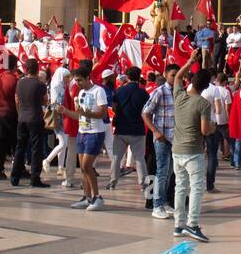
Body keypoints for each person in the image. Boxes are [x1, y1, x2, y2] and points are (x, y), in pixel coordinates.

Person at [169, 47, 212, 242]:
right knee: (196, 188)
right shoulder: (203, 104)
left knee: (180, 187)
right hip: (193, 151)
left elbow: (177, 78)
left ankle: (179, 225)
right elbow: (204, 130)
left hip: (177, 150)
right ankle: (193, 225)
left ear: (192, 81)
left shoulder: (179, 96)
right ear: (206, 86)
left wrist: (189, 61)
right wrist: (213, 127)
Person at [59, 64, 108, 211]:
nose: (78, 83)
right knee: (82, 167)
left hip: (95, 132)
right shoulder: (80, 94)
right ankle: (87, 197)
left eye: (80, 80)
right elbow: (79, 114)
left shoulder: (99, 91)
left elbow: (102, 114)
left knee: (87, 165)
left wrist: (86, 114)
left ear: (88, 78)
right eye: (76, 81)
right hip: (82, 131)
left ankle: (97, 197)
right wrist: (65, 111)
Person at [142, 62, 178, 219]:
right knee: (162, 172)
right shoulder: (160, 92)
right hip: (162, 138)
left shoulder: (180, 92)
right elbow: (145, 112)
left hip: (175, 138)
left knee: (170, 172)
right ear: (166, 75)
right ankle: (156, 205)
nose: (176, 78)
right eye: (173, 75)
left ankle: (163, 202)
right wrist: (155, 131)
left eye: (178, 75)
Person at [107, 65, 148, 193]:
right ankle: (144, 184)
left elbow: (113, 107)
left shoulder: (119, 91)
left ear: (128, 77)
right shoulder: (143, 93)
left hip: (121, 129)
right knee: (139, 158)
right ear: (139, 76)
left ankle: (112, 182)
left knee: (116, 157)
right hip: (138, 130)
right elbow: (147, 111)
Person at [12, 57, 51, 188]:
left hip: (22, 118)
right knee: (36, 149)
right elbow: (45, 101)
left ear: (26, 69)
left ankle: (15, 176)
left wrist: (19, 112)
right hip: (35, 118)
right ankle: (35, 178)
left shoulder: (20, 83)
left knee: (20, 147)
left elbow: (17, 99)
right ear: (37, 69)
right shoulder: (40, 85)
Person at [0, 55, 20, 180]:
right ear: (14, 65)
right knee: (16, 142)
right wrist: (19, 113)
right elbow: (17, 99)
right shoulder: (15, 79)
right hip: (11, 113)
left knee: (0, 142)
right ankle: (18, 169)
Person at [202, 71, 232, 190]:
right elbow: (219, 110)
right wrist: (213, 108)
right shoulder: (214, 90)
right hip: (211, 123)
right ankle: (210, 184)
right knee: (212, 155)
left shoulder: (190, 87)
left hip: (196, 123)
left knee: (196, 155)